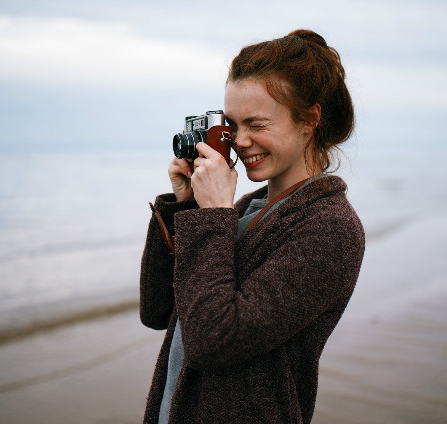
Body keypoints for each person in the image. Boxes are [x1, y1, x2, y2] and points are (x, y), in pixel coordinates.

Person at [140, 29, 365, 424]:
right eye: (232, 125)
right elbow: (158, 310)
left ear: (309, 119)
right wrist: (185, 206)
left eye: (256, 124)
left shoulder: (330, 228)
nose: (240, 141)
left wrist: (212, 218)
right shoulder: (245, 209)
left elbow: (212, 342)